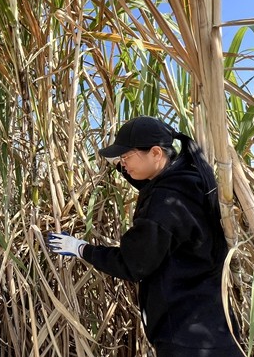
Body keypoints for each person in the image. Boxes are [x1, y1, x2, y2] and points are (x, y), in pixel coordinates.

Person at [47, 116, 243, 357]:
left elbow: (133, 263)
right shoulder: (191, 180)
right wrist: (122, 166)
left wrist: (81, 249)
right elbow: (152, 187)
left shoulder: (164, 203)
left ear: (156, 153)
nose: (123, 163)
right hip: (217, 329)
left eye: (127, 157)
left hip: (184, 339)